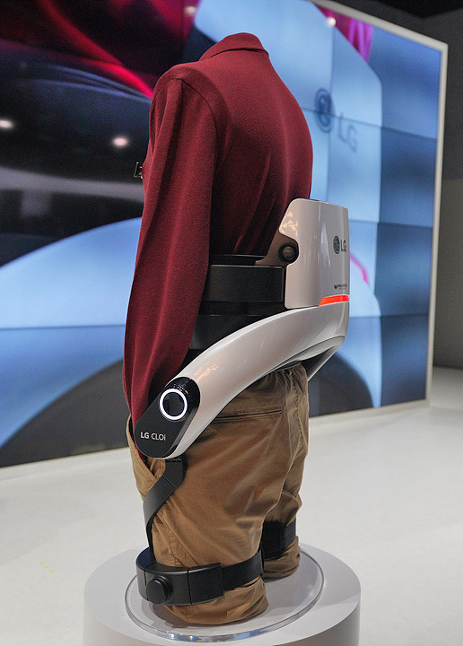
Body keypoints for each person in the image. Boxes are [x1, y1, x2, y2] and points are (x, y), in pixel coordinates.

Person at [122, 32, 313, 625]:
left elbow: (170, 258)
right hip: (282, 393)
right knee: (277, 575)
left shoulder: (194, 87)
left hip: (212, 405)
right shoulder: (292, 109)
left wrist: (148, 410)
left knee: (210, 608)